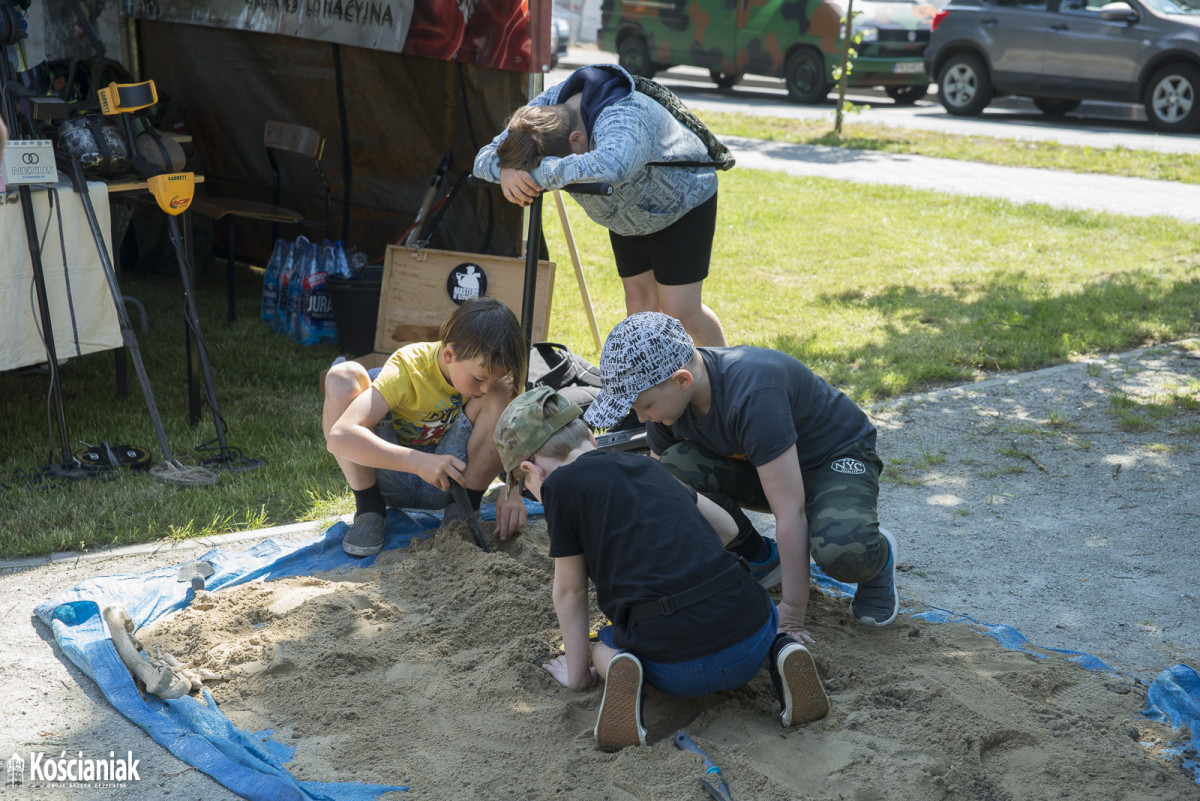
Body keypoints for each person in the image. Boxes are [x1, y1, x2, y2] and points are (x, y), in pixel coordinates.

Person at [493, 386, 830, 750]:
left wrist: (577, 675)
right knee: (754, 623)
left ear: (531, 471)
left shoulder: (559, 486)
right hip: (749, 631)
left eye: (526, 486)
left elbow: (570, 591)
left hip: (675, 668)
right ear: (591, 437)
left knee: (601, 645)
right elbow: (728, 529)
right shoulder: (648, 465)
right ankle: (779, 652)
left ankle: (621, 666)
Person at [583, 312, 897, 646]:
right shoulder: (667, 407)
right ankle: (758, 556)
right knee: (675, 471)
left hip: (832, 459)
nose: (643, 418)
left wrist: (791, 609)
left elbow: (789, 511)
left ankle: (879, 559)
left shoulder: (753, 395)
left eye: (644, 405)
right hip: (762, 465)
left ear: (682, 380)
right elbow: (662, 499)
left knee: (843, 551)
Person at [473, 63, 727, 347]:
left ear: (577, 139)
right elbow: (483, 157)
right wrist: (507, 169)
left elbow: (612, 166)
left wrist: (536, 173)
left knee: (681, 311)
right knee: (639, 305)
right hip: (626, 214)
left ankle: (724, 382)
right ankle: (653, 388)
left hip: (681, 202)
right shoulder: (544, 110)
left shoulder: (624, 115)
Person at [323, 297, 529, 556]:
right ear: (449, 355)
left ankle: (465, 511)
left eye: (492, 378)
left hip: (455, 483)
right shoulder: (409, 367)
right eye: (478, 379)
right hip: (389, 475)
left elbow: (519, 428)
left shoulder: (488, 383)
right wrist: (417, 462)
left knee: (503, 390)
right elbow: (339, 437)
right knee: (343, 376)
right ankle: (369, 509)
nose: (485, 388)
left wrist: (513, 487)